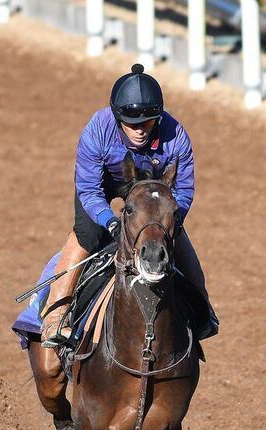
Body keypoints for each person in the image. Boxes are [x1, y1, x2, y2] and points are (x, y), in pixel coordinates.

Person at [39, 63, 218, 349]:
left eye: (147, 123)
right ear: (116, 116)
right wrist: (109, 221)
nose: (139, 131)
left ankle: (203, 310)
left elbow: (183, 190)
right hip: (104, 185)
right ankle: (56, 313)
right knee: (88, 233)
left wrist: (168, 221)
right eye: (131, 124)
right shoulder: (97, 129)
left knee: (174, 236)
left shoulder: (177, 136)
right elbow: (89, 188)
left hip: (153, 189)